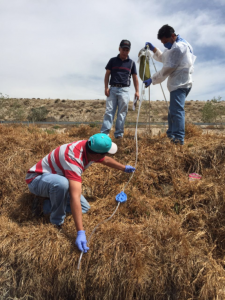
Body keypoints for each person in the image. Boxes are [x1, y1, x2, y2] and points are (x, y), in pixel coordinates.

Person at [25, 133, 135, 253]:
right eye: (105, 153)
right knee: (62, 184)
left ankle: (46, 205)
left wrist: (124, 168)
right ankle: (56, 221)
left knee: (84, 208)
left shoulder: (89, 147)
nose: (106, 155)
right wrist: (80, 232)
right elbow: (74, 197)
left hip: (55, 179)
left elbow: (106, 160)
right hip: (37, 180)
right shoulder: (73, 159)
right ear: (97, 155)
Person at [144, 24, 196, 145]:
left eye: (165, 41)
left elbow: (168, 67)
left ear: (172, 36)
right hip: (180, 83)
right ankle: (171, 134)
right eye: (162, 43)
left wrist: (152, 79)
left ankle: (178, 139)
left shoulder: (179, 47)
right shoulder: (175, 45)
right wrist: (153, 49)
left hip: (180, 84)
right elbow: (165, 57)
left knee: (177, 111)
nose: (165, 45)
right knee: (172, 111)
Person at [101, 40, 139, 139]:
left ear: (129, 51)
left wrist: (137, 91)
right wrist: (106, 87)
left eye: (127, 50)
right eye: (123, 49)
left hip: (125, 90)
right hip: (112, 89)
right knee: (109, 111)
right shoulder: (112, 60)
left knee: (122, 113)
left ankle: (118, 135)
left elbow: (135, 78)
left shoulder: (131, 63)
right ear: (119, 49)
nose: (125, 52)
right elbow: (107, 75)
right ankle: (104, 134)